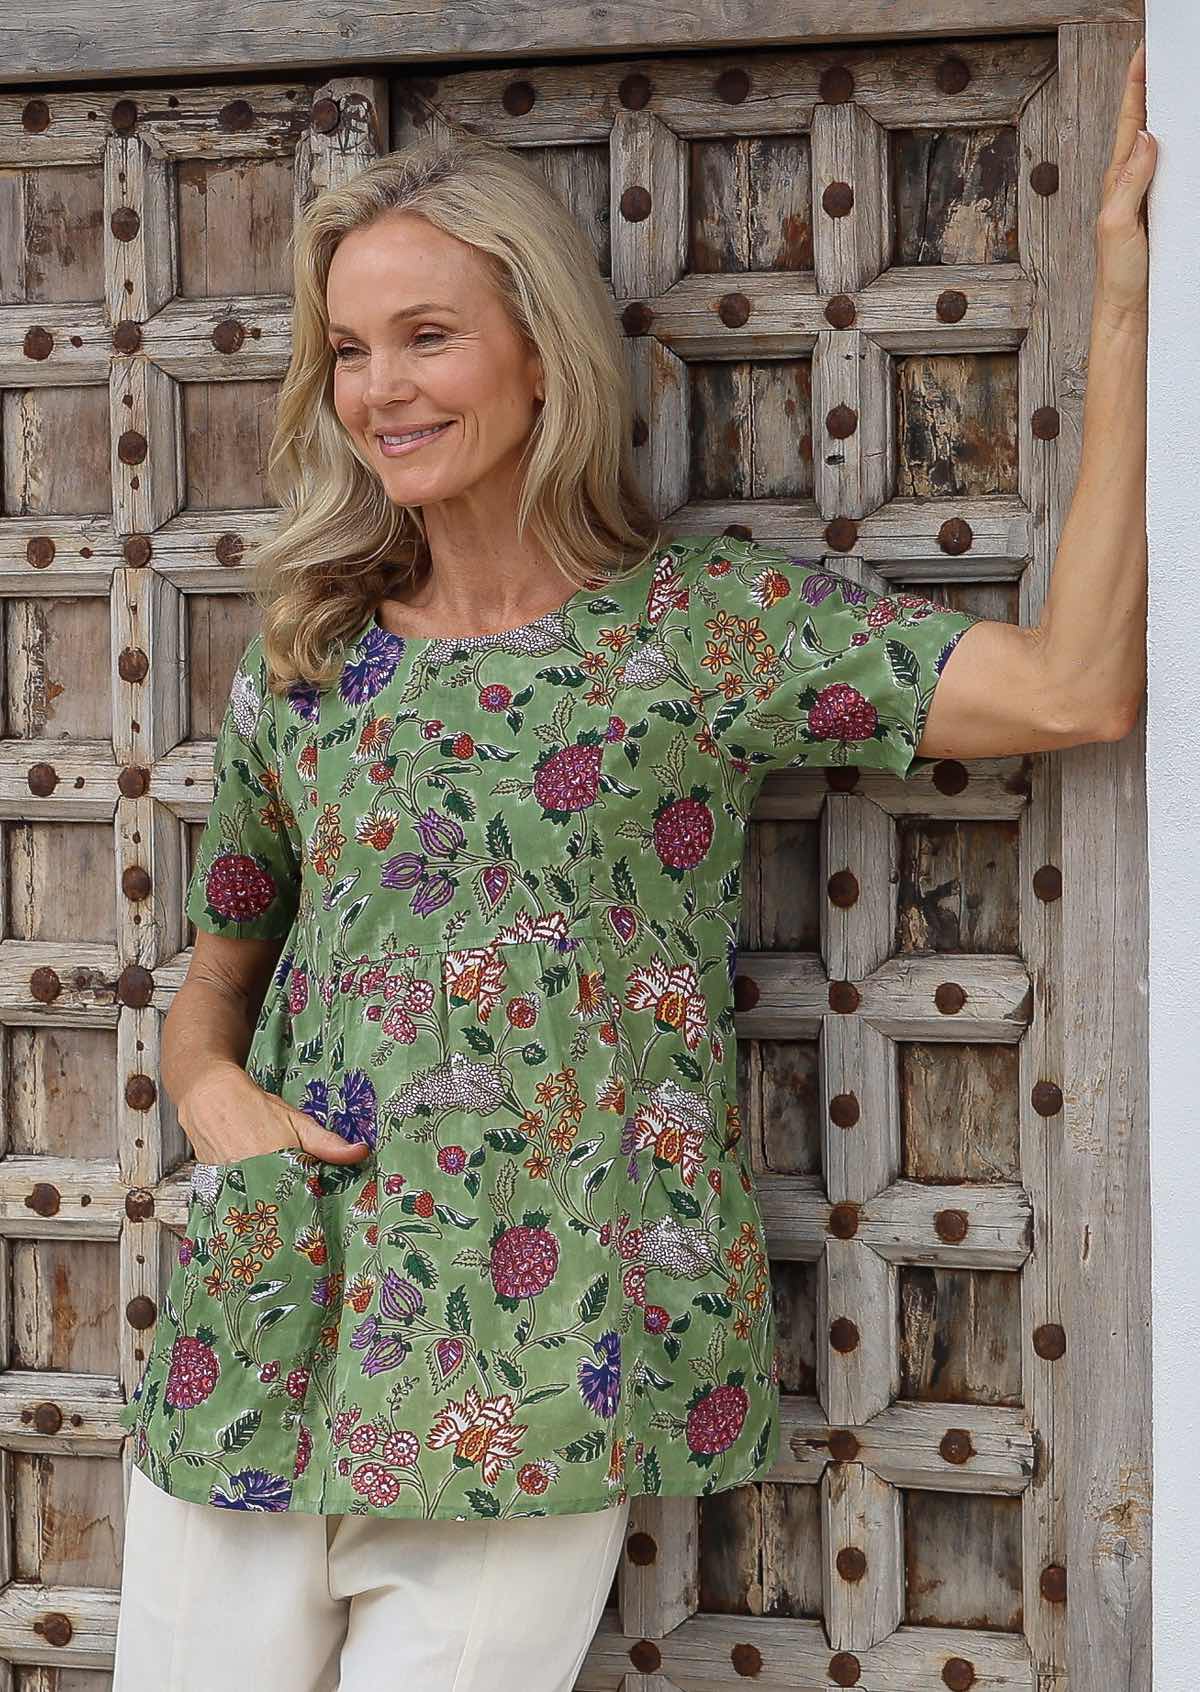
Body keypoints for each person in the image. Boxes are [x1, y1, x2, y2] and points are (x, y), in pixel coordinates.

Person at [112, 40, 1155, 1692]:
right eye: (351, 351)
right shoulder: (306, 659)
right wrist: (215, 1100)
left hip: (531, 1357)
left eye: (429, 334)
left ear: (544, 350)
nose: (382, 388)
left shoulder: (698, 630)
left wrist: (1122, 308)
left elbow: (1077, 684)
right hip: (270, 1314)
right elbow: (219, 973)